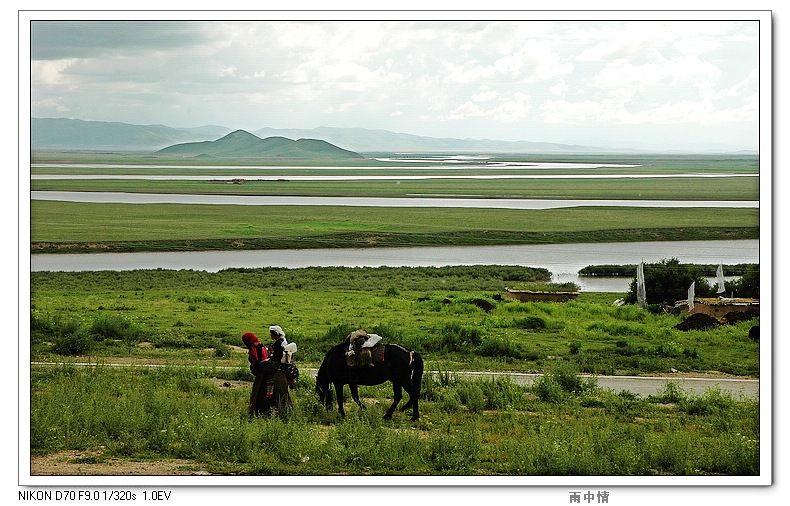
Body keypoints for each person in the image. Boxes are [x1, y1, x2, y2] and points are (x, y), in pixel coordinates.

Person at [241, 331, 277, 417]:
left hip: (261, 372)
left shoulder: (253, 347)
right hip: (268, 370)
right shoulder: (260, 345)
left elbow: (256, 361)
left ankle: (255, 411)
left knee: (257, 392)